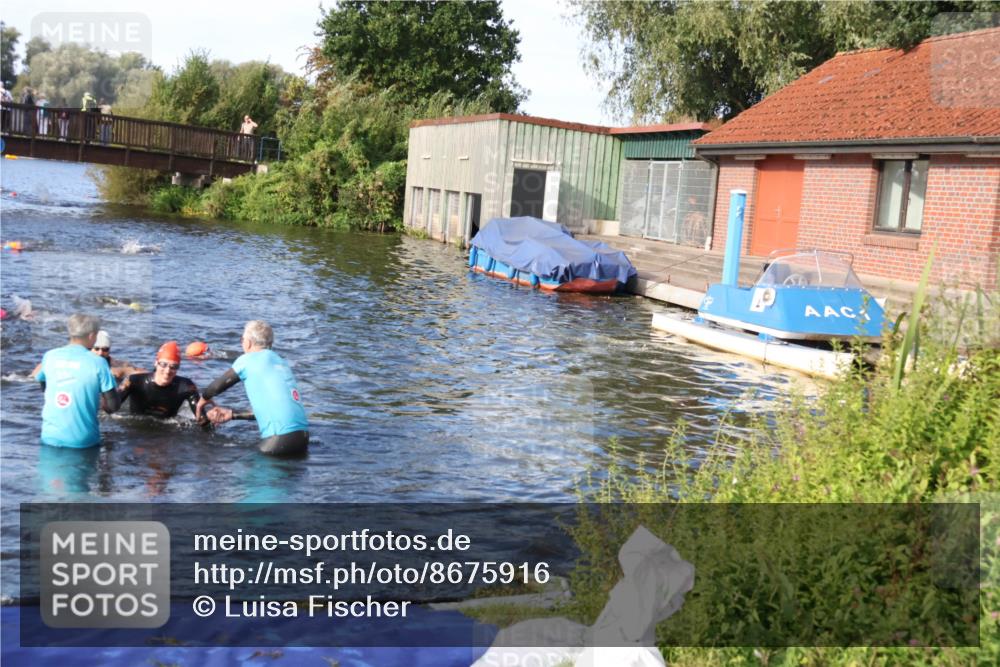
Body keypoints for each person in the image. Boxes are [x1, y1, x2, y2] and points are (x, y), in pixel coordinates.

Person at [197, 320, 309, 456]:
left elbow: (216, 387)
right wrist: (232, 414)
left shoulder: (247, 360)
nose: (241, 343)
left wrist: (202, 400)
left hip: (278, 441)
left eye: (242, 339)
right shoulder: (282, 363)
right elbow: (273, 410)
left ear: (248, 342)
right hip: (302, 440)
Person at [35, 313, 121, 448]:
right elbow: (113, 406)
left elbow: (43, 383)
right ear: (92, 336)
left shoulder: (50, 356)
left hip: (49, 437)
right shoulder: (98, 362)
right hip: (83, 442)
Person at [118, 341, 206, 422]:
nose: (167, 371)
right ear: (156, 363)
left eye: (173, 367)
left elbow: (203, 420)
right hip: (135, 427)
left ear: (178, 368)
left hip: (167, 434)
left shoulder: (187, 386)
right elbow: (110, 408)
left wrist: (209, 418)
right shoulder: (133, 381)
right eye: (163, 364)